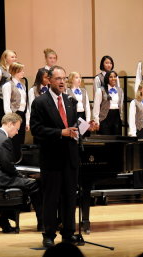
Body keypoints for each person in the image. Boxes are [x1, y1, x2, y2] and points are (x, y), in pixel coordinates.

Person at [30, 65, 95, 247]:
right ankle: (49, 234)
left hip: (70, 157)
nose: (62, 82)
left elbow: (73, 125)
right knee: (51, 197)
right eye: (58, 78)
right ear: (49, 80)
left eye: (64, 79)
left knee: (69, 197)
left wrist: (83, 128)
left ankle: (68, 233)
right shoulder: (40, 102)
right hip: (52, 158)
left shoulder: (70, 100)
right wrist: (61, 132)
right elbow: (37, 129)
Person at [0, 113, 42, 232]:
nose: (17, 132)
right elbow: (8, 165)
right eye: (17, 129)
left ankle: (5, 218)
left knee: (24, 186)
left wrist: (21, 177)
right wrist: (21, 176)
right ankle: (42, 222)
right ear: (10, 124)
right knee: (34, 184)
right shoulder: (4, 140)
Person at [2, 62, 29, 162]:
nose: (23, 72)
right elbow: (6, 104)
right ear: (15, 72)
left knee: (20, 141)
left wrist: (27, 121)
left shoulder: (22, 86)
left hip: (22, 114)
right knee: (13, 140)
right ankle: (11, 162)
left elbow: (25, 104)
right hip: (14, 115)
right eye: (21, 70)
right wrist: (10, 120)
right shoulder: (8, 85)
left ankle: (18, 161)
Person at [0, 50, 17, 130]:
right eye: (12, 57)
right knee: (2, 123)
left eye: (15, 57)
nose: (15, 59)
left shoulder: (14, 71)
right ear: (5, 58)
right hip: (1, 100)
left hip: (12, 101)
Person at [93, 70, 124, 135]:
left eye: (115, 76)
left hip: (116, 117)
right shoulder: (101, 90)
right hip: (105, 118)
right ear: (107, 78)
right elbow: (96, 106)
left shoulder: (120, 90)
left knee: (117, 140)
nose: (113, 78)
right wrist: (97, 121)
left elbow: (121, 105)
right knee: (106, 140)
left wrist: (121, 118)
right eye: (111, 77)